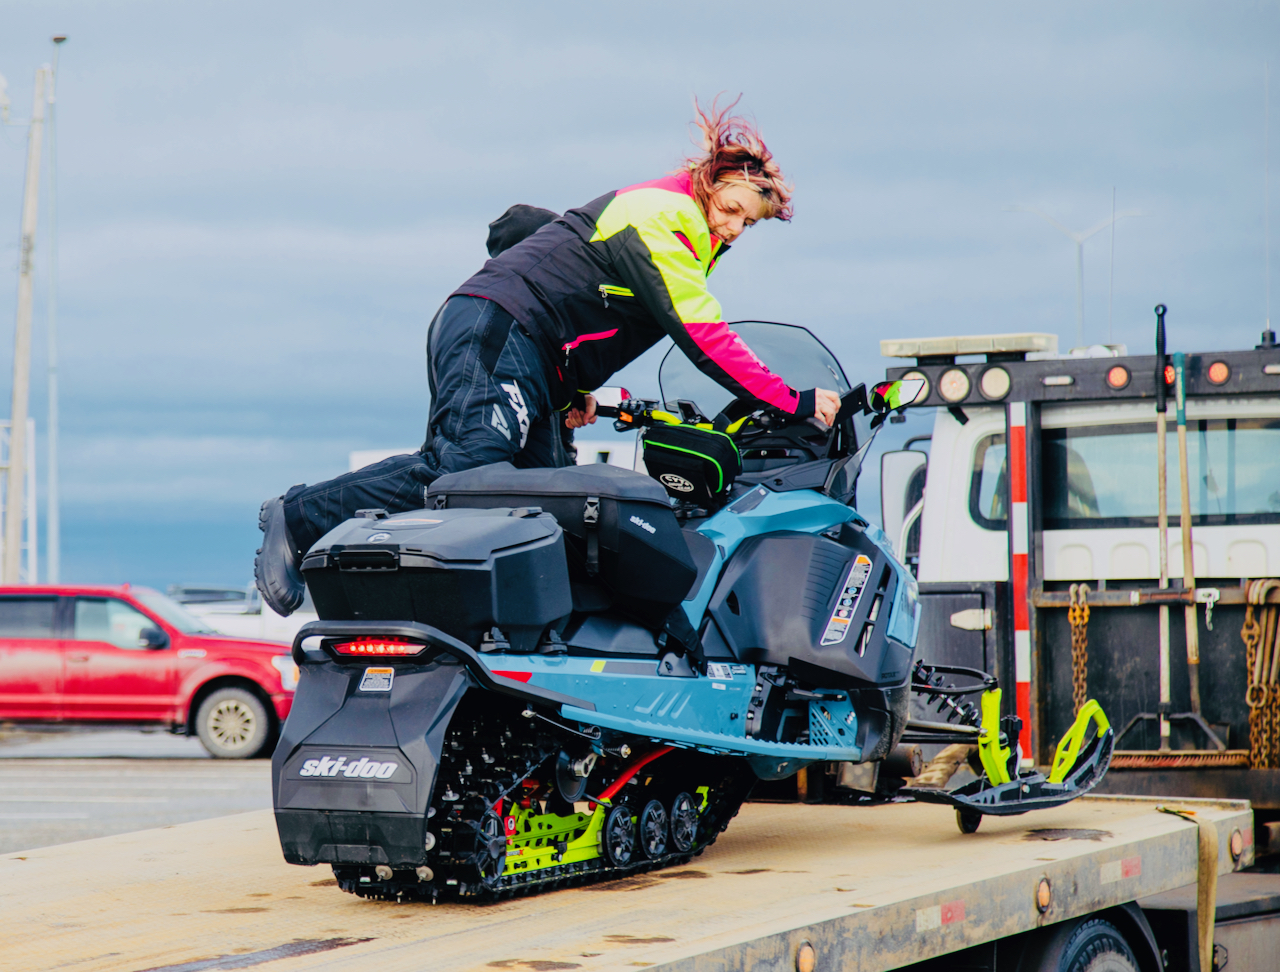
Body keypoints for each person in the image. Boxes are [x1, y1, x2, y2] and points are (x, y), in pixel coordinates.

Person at [255, 99, 841, 616]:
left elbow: (566, 277)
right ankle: (300, 517)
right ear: (711, 181)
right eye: (734, 209)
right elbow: (705, 336)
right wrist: (793, 400)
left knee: (540, 505)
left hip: (536, 358)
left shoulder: (683, 228)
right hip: (501, 324)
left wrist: (567, 391)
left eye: (749, 224)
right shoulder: (665, 218)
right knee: (465, 471)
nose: (736, 230)